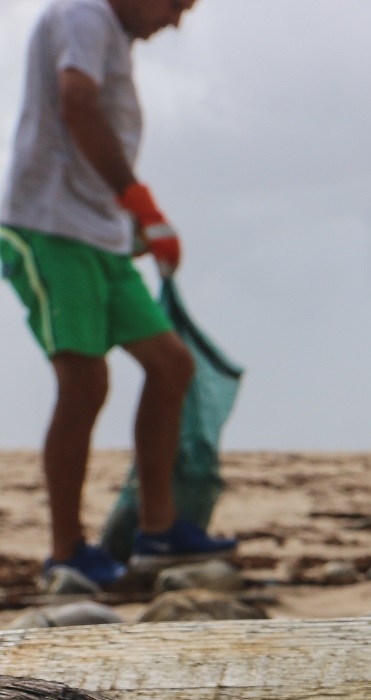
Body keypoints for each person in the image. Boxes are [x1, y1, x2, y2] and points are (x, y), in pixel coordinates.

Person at [1, 0, 234, 589]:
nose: (177, 20)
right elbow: (76, 102)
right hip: (48, 226)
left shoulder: (112, 34)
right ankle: (65, 553)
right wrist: (139, 200)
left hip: (98, 232)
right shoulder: (83, 14)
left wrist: (127, 223)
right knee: (84, 382)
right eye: (177, 3)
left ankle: (158, 531)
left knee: (171, 364)